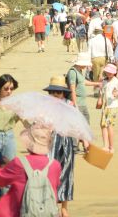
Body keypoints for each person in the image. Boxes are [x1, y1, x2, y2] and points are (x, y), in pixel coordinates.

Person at [0, 123, 61, 217]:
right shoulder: (55, 165)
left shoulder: (18, 163)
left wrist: (4, 167)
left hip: (17, 212)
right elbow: (56, 185)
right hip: (47, 212)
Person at [43, 76, 77, 217]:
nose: (56, 95)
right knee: (50, 171)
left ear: (64, 93)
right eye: (53, 92)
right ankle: (51, 203)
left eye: (59, 92)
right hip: (50, 141)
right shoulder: (45, 106)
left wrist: (84, 141)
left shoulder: (70, 105)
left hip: (67, 141)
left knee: (66, 173)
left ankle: (64, 206)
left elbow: (76, 125)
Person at [66, 53, 99, 128]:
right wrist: (75, 104)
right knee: (81, 127)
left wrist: (97, 84)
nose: (86, 66)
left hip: (82, 103)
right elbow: (72, 90)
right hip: (78, 103)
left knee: (86, 125)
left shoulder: (79, 70)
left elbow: (83, 82)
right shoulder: (73, 72)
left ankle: (84, 139)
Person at [99, 63, 118, 153]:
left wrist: (117, 94)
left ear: (114, 73)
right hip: (105, 106)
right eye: (107, 72)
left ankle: (111, 147)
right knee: (103, 125)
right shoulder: (104, 81)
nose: (109, 74)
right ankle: (105, 145)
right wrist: (100, 100)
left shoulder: (116, 81)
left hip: (113, 106)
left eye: (110, 72)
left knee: (109, 126)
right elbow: (101, 92)